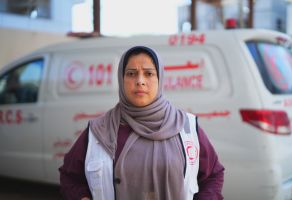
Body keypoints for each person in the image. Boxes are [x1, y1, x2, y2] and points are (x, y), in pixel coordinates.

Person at [59, 46, 225, 200]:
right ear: (121, 79)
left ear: (160, 78)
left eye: (149, 73)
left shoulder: (186, 126)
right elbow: (69, 176)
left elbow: (213, 175)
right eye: (131, 73)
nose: (140, 81)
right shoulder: (98, 131)